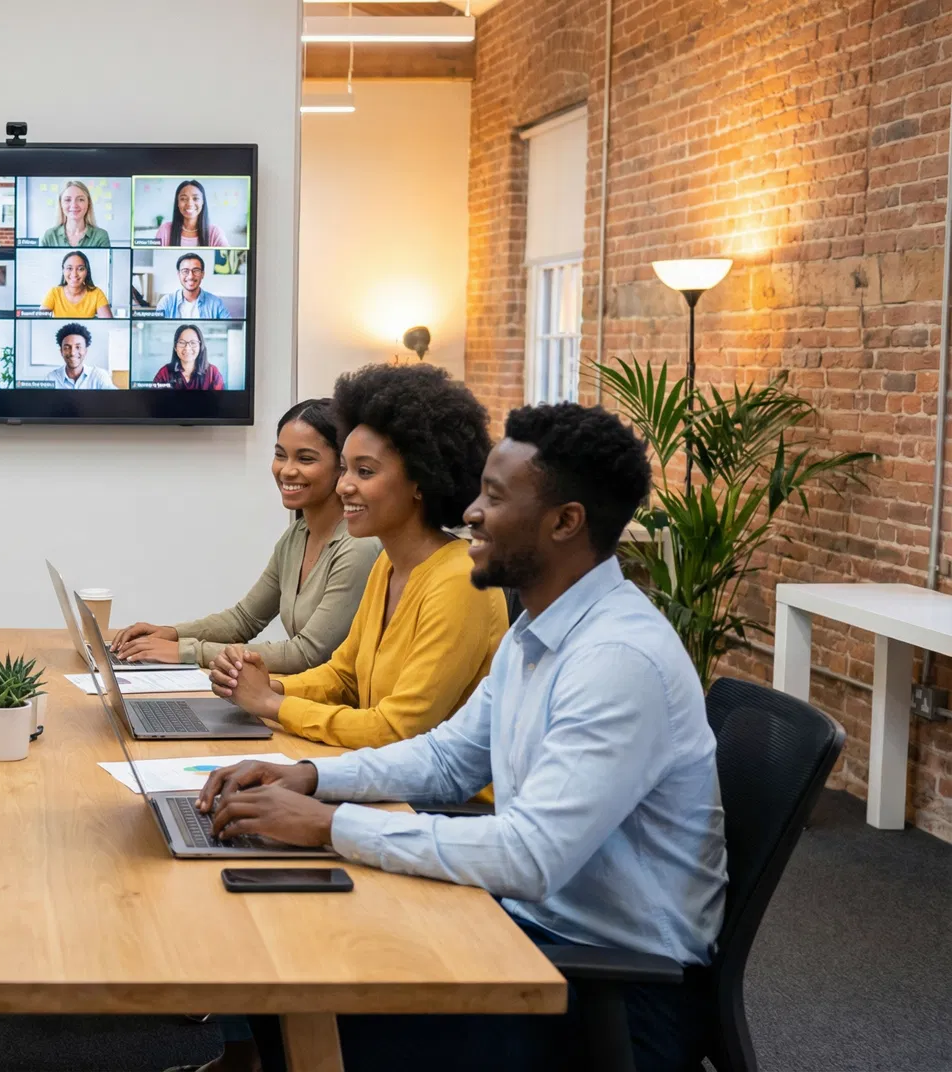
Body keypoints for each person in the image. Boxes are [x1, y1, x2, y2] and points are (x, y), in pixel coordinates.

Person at [195, 403, 725, 1072]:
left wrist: (329, 824)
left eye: (495, 498)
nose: (471, 512)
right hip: (529, 931)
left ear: (566, 522)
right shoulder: (538, 629)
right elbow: (449, 759)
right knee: (287, 942)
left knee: (306, 989)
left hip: (608, 992)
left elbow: (529, 855)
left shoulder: (617, 660)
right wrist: (311, 777)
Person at [207, 363, 506, 751]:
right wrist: (270, 686)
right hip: (381, 772)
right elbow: (344, 676)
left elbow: (396, 729)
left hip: (436, 789)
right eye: (345, 469)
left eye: (364, 472)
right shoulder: (388, 565)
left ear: (421, 481)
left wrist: (271, 704)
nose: (343, 486)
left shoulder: (460, 581)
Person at [114, 399, 375, 671]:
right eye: (280, 455)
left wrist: (186, 651)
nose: (287, 470)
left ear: (342, 467)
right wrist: (171, 634)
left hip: (336, 697)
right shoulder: (297, 536)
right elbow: (244, 619)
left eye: (305, 458)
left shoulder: (359, 547)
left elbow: (306, 654)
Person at [154, 252, 230, 319]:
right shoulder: (166, 302)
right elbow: (157, 328)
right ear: (178, 274)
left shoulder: (216, 303)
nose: (191, 276)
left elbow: (229, 327)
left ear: (202, 274)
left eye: (196, 270)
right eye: (185, 271)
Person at [37, 179, 111, 247]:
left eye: (80, 199)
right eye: (68, 200)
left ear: (88, 203)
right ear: (61, 204)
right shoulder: (50, 236)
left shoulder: (100, 236)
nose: (74, 205)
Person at [152, 179, 227, 246]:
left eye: (195, 198)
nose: (189, 204)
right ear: (177, 203)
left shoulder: (214, 232)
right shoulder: (165, 230)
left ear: (203, 202)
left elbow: (228, 254)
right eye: (183, 199)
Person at [40, 250, 113, 318]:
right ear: (63, 270)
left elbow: (108, 323)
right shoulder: (54, 292)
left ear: (87, 272)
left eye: (80, 269)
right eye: (69, 268)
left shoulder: (96, 293)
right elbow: (40, 321)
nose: (74, 274)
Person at [151, 324, 225, 390]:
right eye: (182, 342)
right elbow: (154, 399)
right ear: (175, 347)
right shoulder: (165, 373)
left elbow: (220, 399)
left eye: (193, 343)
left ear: (200, 346)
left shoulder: (212, 373)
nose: (187, 348)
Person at [46, 322, 114, 389]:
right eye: (67, 348)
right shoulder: (51, 378)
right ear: (61, 351)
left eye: (78, 347)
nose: (72, 353)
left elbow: (115, 396)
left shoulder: (99, 377)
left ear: (85, 351)